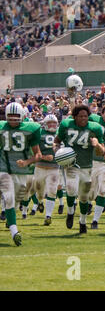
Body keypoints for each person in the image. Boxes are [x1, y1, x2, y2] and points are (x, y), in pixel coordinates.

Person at [54, 104, 105, 234]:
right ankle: (70, 212)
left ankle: (82, 221)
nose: (84, 118)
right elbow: (57, 141)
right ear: (75, 117)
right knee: (71, 189)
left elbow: (102, 152)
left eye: (86, 116)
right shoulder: (66, 125)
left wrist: (97, 144)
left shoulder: (95, 128)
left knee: (83, 197)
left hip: (87, 166)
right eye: (81, 116)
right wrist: (57, 151)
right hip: (71, 164)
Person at [0, 102, 42, 246]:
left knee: (17, 198)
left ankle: (10, 220)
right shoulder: (1, 127)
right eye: (10, 117)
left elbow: (38, 154)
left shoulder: (31, 129)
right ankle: (14, 232)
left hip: (21, 170)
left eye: (16, 117)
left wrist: (26, 162)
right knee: (9, 197)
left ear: (22, 116)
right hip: (3, 168)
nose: (13, 119)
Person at [33, 114, 60, 226]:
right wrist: (44, 157)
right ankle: (40, 202)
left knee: (52, 191)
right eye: (50, 123)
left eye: (54, 123)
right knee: (39, 192)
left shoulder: (59, 134)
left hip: (54, 168)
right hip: (40, 167)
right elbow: (33, 150)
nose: (52, 125)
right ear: (45, 124)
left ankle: (48, 216)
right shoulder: (39, 134)